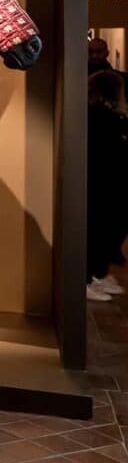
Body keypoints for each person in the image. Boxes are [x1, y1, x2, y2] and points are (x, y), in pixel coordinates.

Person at [87, 69, 128, 300]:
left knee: (106, 229)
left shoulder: (106, 116)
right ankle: (90, 275)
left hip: (106, 181)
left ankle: (96, 273)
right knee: (102, 229)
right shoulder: (102, 117)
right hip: (104, 182)